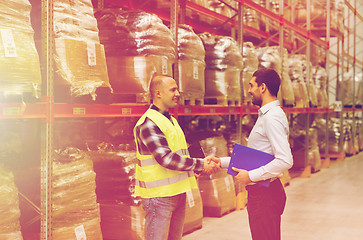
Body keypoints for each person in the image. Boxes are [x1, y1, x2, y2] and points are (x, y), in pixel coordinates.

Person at [133, 75, 220, 240]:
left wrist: (197, 166)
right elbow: (166, 158)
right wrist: (201, 164)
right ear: (158, 93)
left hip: (177, 192)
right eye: (173, 89)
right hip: (159, 197)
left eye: (177, 89)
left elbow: (180, 153)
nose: (178, 93)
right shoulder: (149, 123)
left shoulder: (170, 120)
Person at [219, 68, 293, 240]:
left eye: (251, 85)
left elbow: (284, 160)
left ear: (263, 87)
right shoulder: (268, 115)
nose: (249, 90)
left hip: (264, 195)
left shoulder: (271, 118)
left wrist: (251, 176)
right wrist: (221, 162)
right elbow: (256, 158)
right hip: (265, 192)